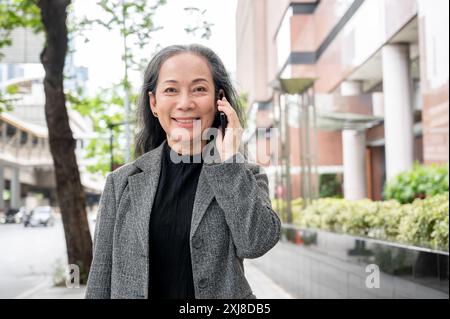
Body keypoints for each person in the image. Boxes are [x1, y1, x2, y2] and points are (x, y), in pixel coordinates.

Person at [85, 44, 281, 299]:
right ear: (154, 103)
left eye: (199, 89)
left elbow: (256, 243)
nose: (185, 103)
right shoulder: (121, 183)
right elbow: (100, 276)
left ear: (219, 100)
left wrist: (230, 160)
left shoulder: (242, 175)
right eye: (171, 90)